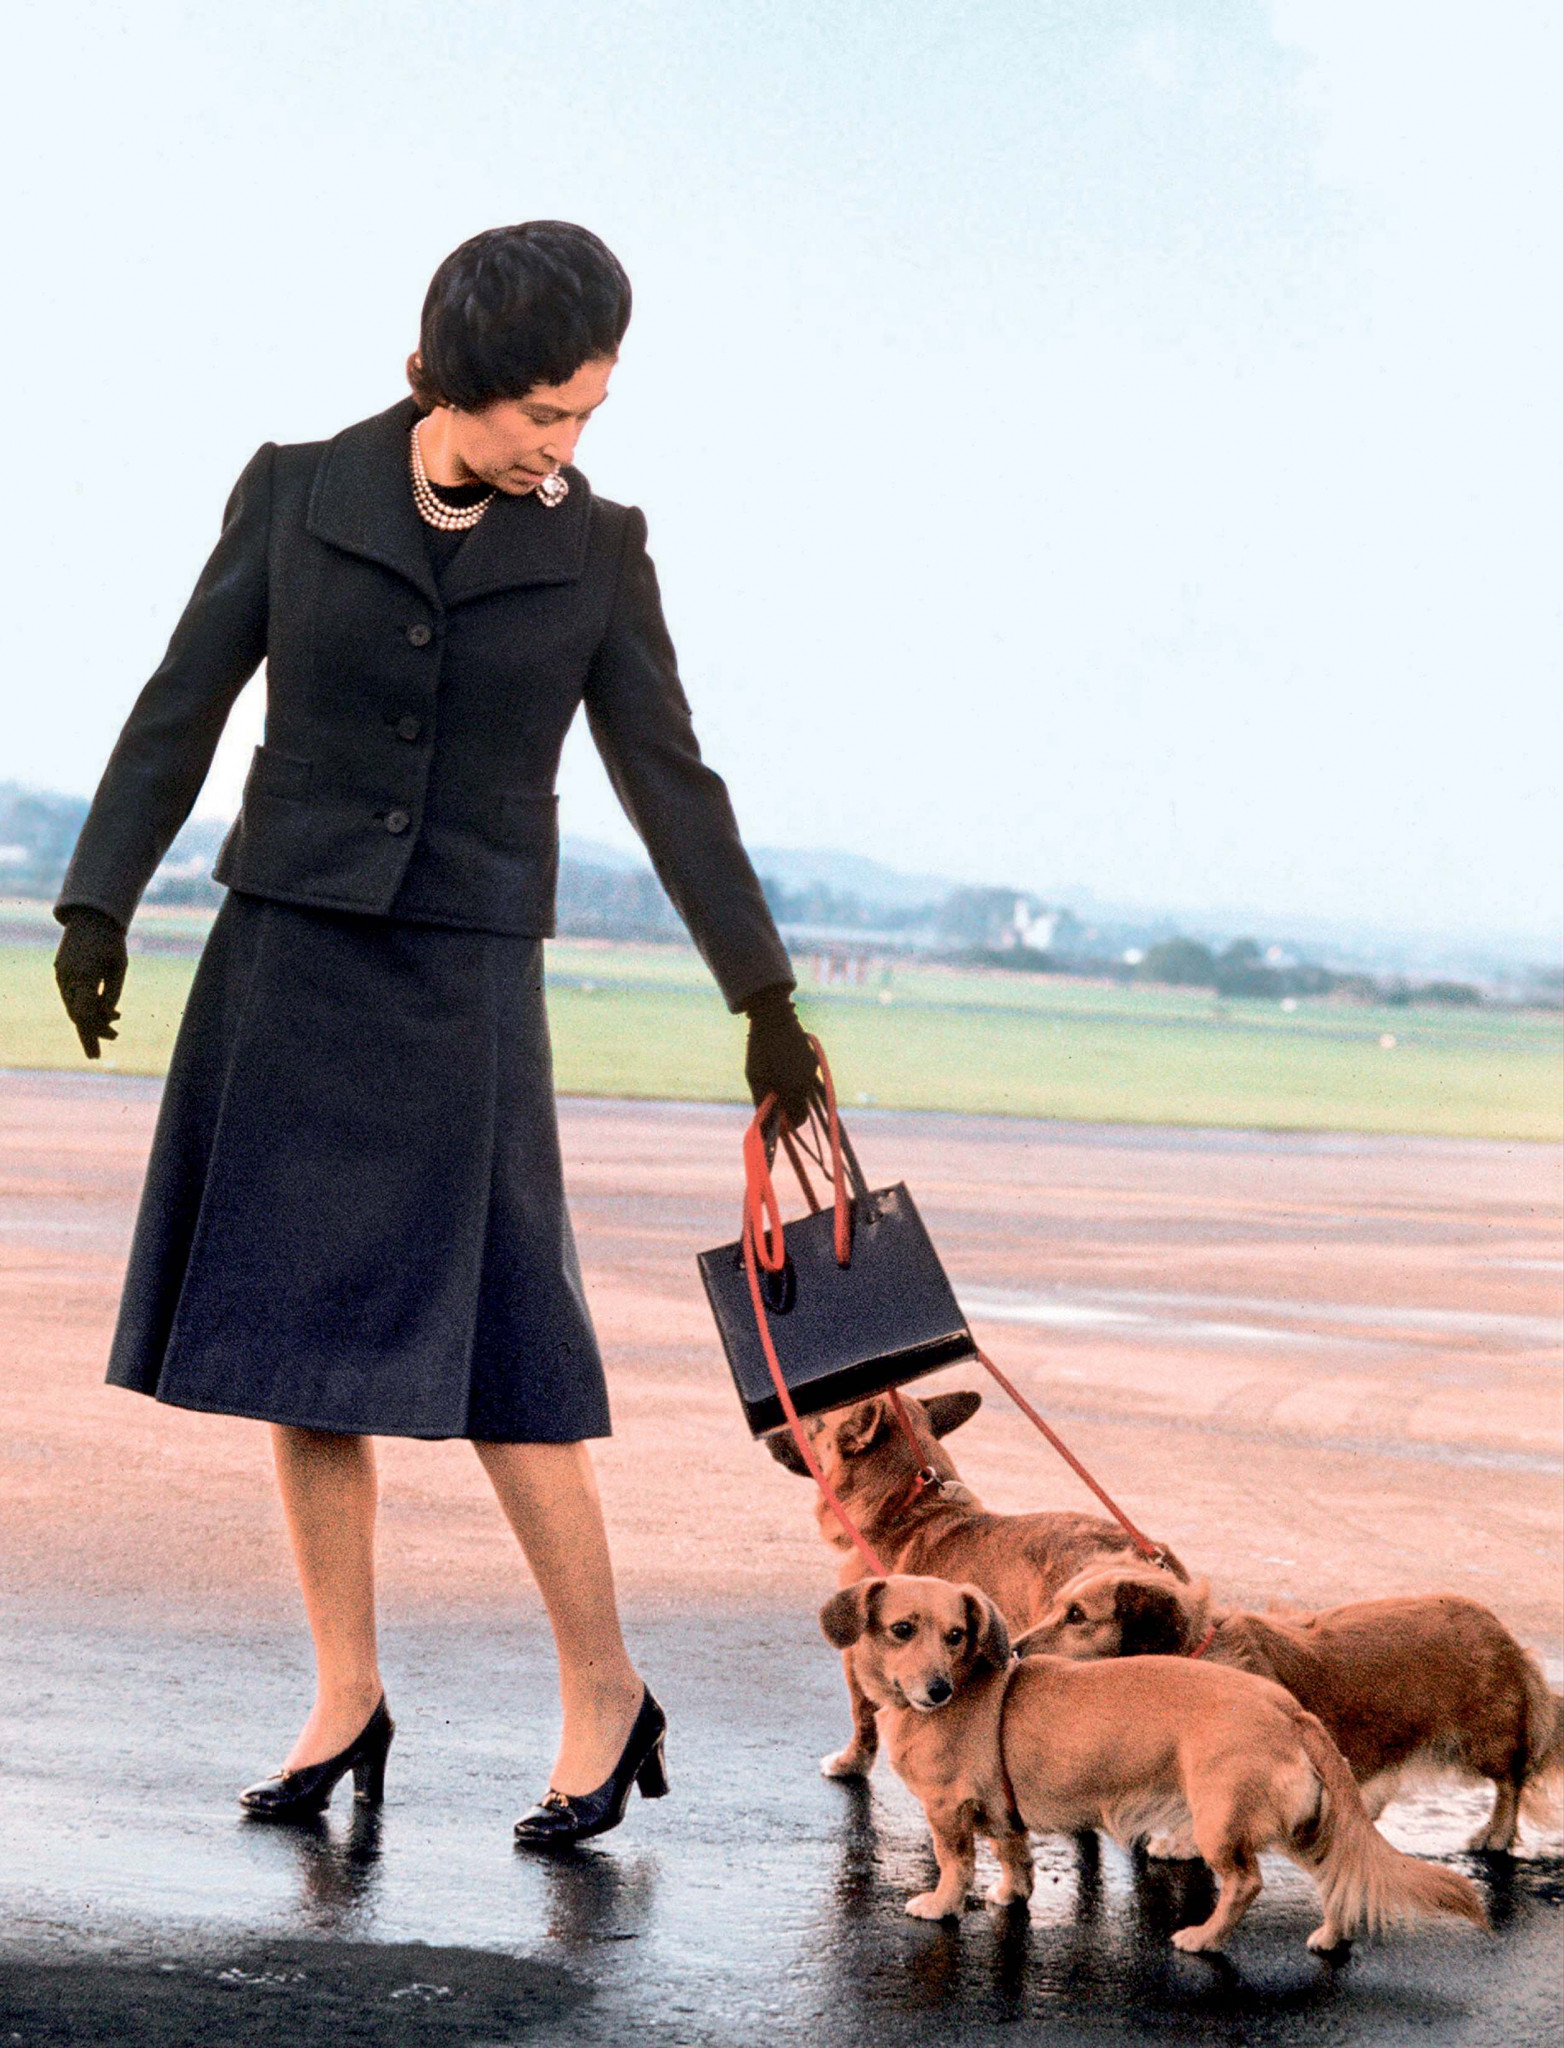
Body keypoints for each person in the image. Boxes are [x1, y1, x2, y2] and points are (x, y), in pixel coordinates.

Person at [52, 221, 818, 1848]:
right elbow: (182, 702)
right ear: (440, 379)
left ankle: (605, 1689)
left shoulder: (599, 550)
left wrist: (763, 997)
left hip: (464, 982)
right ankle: (346, 1694)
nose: (567, 444)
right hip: (289, 954)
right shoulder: (294, 491)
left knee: (508, 1354)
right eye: (544, 412)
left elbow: (669, 780)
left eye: (588, 414)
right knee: (300, 1348)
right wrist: (97, 900)